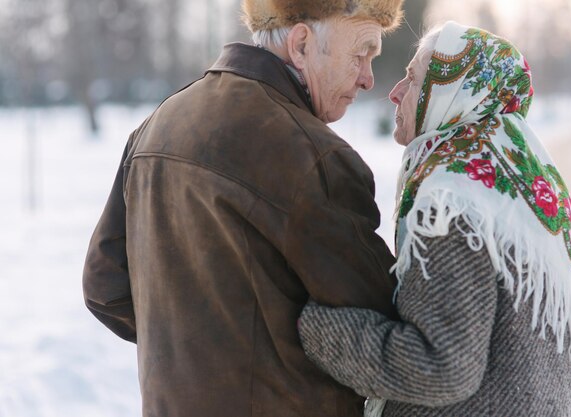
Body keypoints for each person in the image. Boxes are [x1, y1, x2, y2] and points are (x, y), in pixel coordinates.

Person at [82, 1, 405, 416]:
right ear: (302, 44)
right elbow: (383, 322)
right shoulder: (314, 157)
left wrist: (194, 351)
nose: (368, 78)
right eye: (360, 54)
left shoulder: (159, 124)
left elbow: (104, 286)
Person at [298, 21, 571, 416]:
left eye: (414, 78)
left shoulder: (454, 196)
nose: (395, 92)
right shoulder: (518, 179)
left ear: (453, 93)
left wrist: (312, 327)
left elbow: (439, 367)